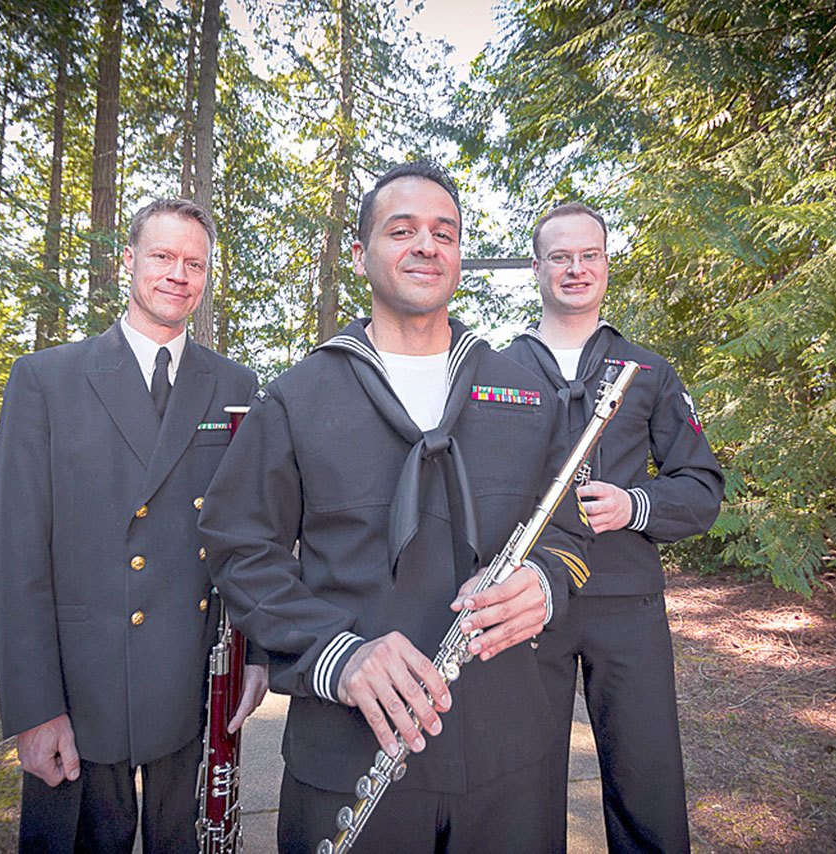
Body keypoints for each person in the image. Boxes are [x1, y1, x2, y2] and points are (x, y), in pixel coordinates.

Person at [199, 161, 594, 853]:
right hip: (348, 757)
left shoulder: (527, 392)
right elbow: (240, 546)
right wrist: (335, 654)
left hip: (513, 758)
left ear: (460, 256)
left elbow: (569, 528)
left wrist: (547, 583)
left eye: (444, 232)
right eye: (401, 229)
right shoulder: (296, 397)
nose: (426, 245)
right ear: (360, 255)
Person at [0, 198, 269, 852]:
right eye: (163, 256)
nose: (178, 273)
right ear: (128, 262)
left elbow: (252, 533)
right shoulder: (46, 380)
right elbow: (16, 559)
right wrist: (34, 712)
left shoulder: (234, 384)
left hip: (192, 689)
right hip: (83, 694)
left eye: (194, 263)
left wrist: (258, 651)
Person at [503, 202, 724, 853]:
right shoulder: (495, 372)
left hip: (626, 601)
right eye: (561, 257)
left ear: (605, 263)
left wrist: (636, 505)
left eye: (589, 255)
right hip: (528, 603)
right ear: (536, 267)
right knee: (519, 783)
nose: (576, 268)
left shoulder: (649, 371)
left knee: (646, 777)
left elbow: (702, 487)